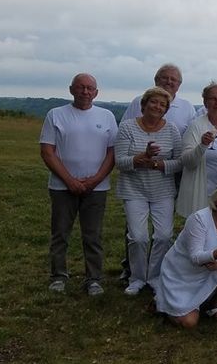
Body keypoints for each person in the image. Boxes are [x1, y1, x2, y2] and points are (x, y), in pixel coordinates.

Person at [40, 73, 118, 296]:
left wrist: (95, 180)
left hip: (97, 188)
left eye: (89, 88)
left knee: (93, 236)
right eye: (80, 87)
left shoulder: (107, 116)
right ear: (71, 89)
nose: (85, 92)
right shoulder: (56, 114)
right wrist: (69, 180)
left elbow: (112, 153)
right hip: (62, 187)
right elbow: (47, 151)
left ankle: (93, 279)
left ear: (96, 92)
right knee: (60, 234)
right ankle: (58, 276)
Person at [114, 86, 183, 296]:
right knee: (138, 237)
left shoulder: (172, 130)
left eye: (162, 104)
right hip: (134, 190)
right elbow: (120, 162)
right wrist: (139, 159)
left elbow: (179, 162)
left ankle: (154, 277)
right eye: (153, 102)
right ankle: (136, 278)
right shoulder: (127, 127)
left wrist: (157, 165)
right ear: (143, 105)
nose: (157, 107)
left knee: (163, 236)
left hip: (162, 190)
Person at [154, 179, 217, 327]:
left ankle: (214, 305)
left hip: (212, 268)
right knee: (189, 323)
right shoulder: (199, 219)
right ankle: (164, 304)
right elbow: (195, 258)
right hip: (183, 274)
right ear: (216, 199)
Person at [176, 82, 217, 218]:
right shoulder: (195, 126)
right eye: (212, 99)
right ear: (205, 102)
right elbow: (187, 161)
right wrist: (202, 146)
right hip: (202, 191)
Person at [122, 63, 196, 136]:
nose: (169, 82)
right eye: (165, 78)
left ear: (179, 85)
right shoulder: (138, 102)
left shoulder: (187, 107)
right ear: (156, 80)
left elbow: (193, 138)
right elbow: (123, 131)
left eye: (173, 79)